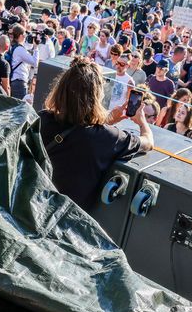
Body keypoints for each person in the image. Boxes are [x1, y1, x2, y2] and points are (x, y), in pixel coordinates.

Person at [39, 56, 153, 209]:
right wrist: (142, 121)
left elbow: (77, 128)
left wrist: (109, 118)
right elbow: (147, 142)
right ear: (97, 96)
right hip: (63, 220)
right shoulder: (107, 137)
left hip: (33, 206)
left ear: (61, 89)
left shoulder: (42, 119)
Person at [6, 24, 38, 100]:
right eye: (24, 34)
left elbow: (27, 48)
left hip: (13, 80)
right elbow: (35, 62)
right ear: (20, 36)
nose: (25, 36)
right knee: (18, 108)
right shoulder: (19, 49)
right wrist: (36, 47)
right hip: (19, 82)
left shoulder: (12, 46)